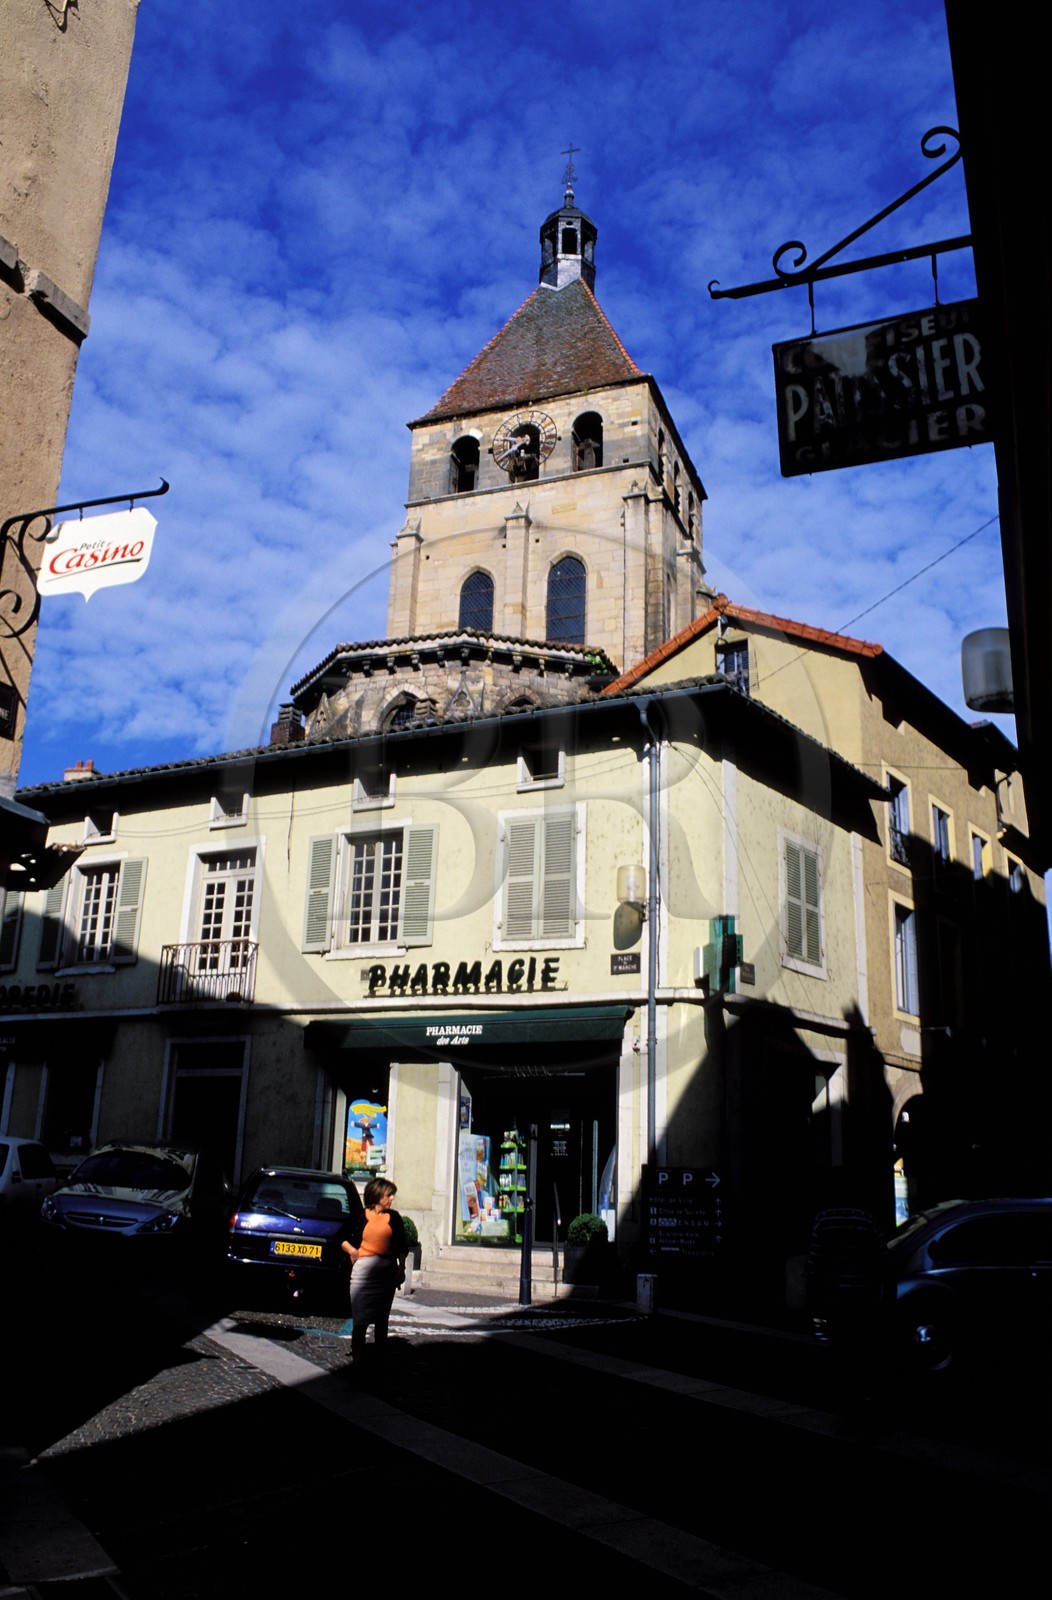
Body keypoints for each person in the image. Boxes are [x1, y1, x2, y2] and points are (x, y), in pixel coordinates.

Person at [341, 1176, 407, 1366]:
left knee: (381, 1319)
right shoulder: (360, 1216)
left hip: (386, 1273)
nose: (392, 1199)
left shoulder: (394, 1218)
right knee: (360, 1319)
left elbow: (402, 1246)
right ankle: (357, 1359)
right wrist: (352, 1250)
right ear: (378, 1196)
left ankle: (380, 1358)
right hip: (363, 1274)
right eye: (389, 1195)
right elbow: (341, 1237)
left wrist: (401, 1268)